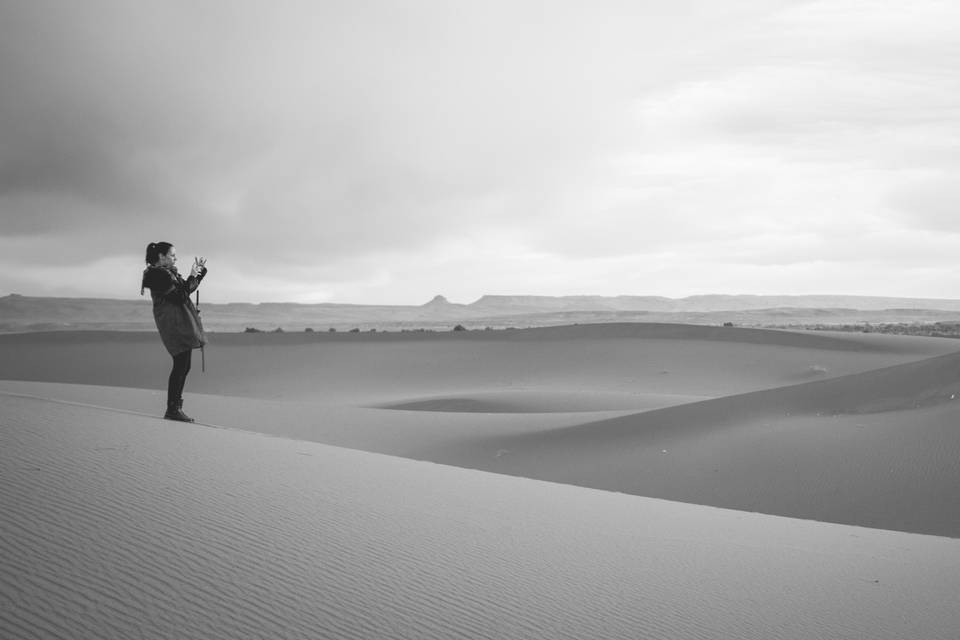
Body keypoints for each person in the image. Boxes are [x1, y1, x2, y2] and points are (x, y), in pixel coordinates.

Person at [141, 242, 208, 422]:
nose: (175, 258)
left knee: (184, 365)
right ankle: (173, 409)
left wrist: (198, 273)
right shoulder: (157, 275)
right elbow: (179, 296)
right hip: (173, 323)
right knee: (181, 364)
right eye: (172, 255)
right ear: (161, 256)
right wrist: (193, 276)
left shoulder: (166, 273)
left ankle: (175, 408)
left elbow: (184, 291)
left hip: (179, 321)